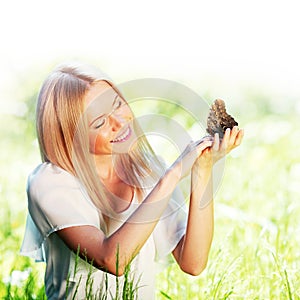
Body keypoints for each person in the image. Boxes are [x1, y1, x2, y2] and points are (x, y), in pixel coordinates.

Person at [20, 62, 244, 300]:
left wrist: (202, 169)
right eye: (100, 122)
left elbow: (194, 263)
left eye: (117, 104)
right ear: (69, 136)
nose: (119, 122)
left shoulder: (148, 169)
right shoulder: (49, 183)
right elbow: (112, 259)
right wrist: (174, 173)